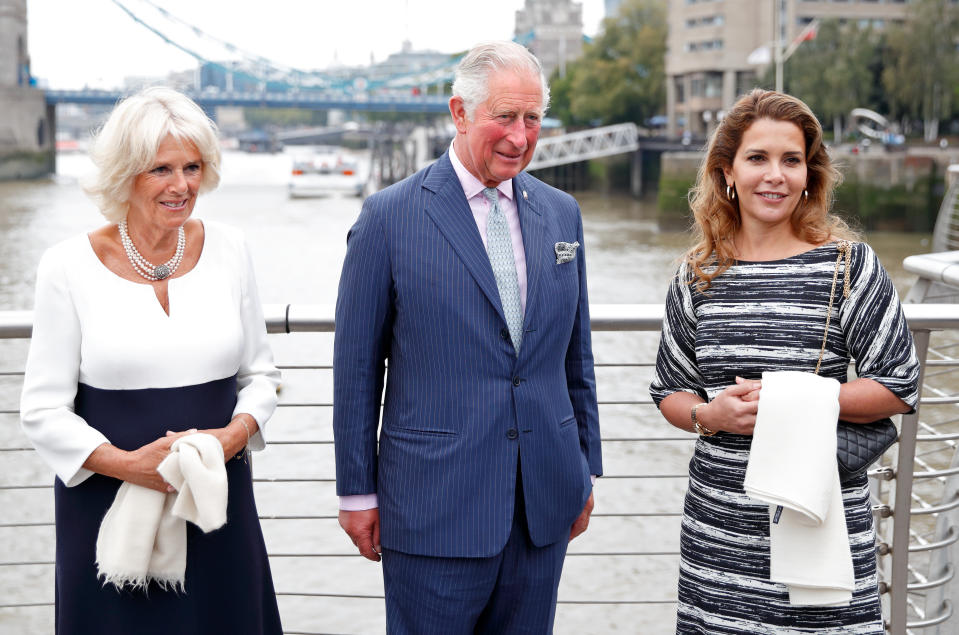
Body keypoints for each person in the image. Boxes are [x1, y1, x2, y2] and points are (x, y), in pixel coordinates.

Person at [333, 40, 602, 633]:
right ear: (459, 113)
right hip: (433, 508)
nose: (520, 136)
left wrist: (584, 469)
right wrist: (356, 493)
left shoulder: (562, 214)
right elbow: (356, 368)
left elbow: (574, 356)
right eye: (504, 116)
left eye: (533, 119)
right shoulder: (389, 217)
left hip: (543, 503)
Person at [649, 88, 921, 633]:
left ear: (808, 174)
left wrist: (791, 398)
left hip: (819, 520)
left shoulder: (849, 267)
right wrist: (711, 415)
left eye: (791, 160)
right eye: (757, 158)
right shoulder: (697, 274)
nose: (774, 175)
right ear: (727, 171)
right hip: (720, 537)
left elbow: (899, 386)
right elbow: (669, 391)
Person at [19, 87, 283, 634]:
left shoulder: (232, 248)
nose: (182, 185)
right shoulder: (65, 267)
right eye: (161, 169)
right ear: (124, 174)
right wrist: (130, 464)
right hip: (104, 509)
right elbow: (43, 410)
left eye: (192, 166)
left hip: (215, 507)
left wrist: (229, 439)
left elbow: (261, 376)